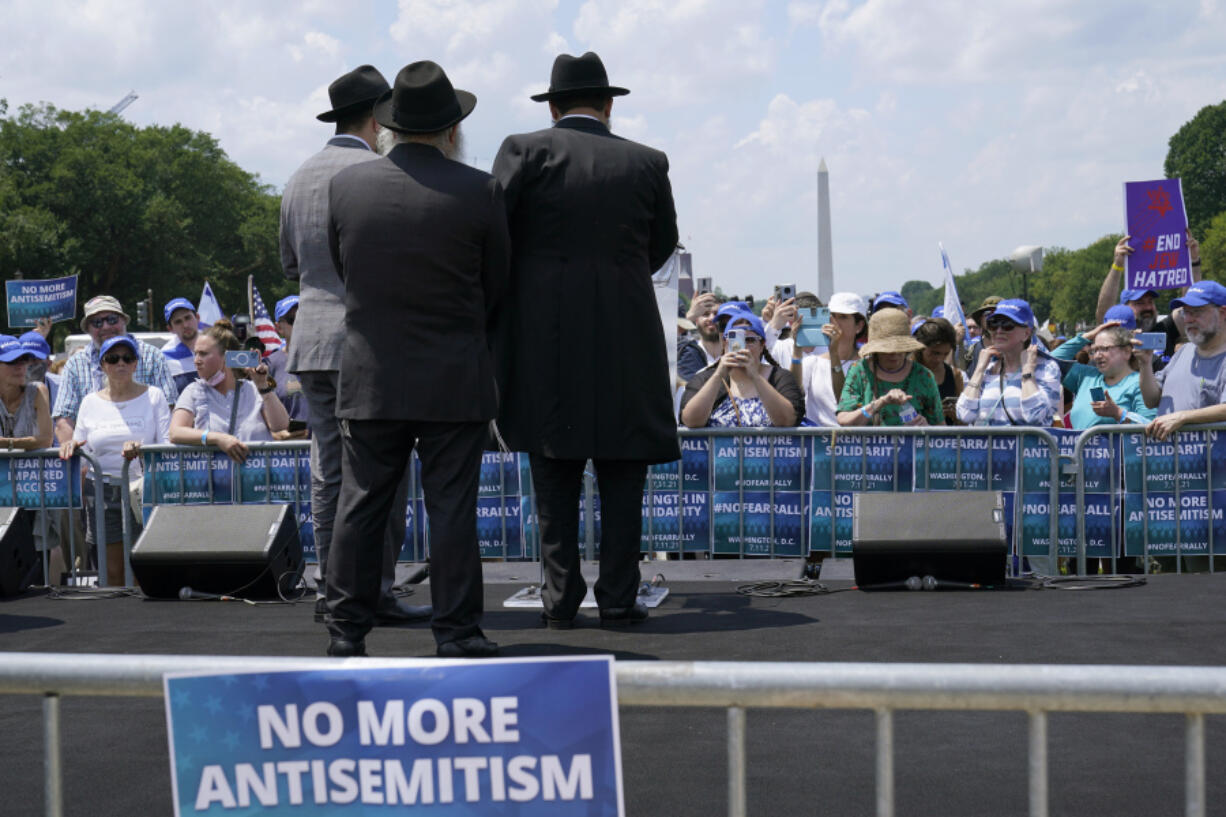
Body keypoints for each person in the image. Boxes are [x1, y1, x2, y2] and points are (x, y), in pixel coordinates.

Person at [326, 60, 508, 658]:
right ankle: (457, 631)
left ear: (389, 126)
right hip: (453, 376)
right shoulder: (479, 189)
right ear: (452, 129)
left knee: (360, 504)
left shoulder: (347, 186)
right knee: (452, 508)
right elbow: (497, 286)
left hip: (372, 376)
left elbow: (343, 269)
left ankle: (346, 629)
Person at [492, 51, 678, 630]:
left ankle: (560, 598)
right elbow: (662, 246)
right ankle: (620, 599)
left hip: (546, 345)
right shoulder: (647, 162)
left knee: (554, 482)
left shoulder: (524, 151)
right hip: (627, 341)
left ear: (551, 106)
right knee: (625, 483)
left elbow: (493, 235)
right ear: (609, 104)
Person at [279, 65, 427, 629]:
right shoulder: (380, 170)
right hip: (369, 343)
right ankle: (375, 590)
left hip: (312, 342)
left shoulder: (297, 177)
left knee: (328, 472)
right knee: (382, 474)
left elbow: (291, 265)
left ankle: (330, 589)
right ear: (377, 118)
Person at [58, 335, 170, 586]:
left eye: (127, 358)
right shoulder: (89, 402)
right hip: (101, 492)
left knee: (143, 565)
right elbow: (80, 443)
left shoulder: (154, 396)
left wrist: (142, 448)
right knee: (113, 570)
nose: (121, 363)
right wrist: (70, 446)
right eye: (113, 358)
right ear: (102, 365)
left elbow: (167, 443)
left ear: (135, 364)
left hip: (142, 489)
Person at [53, 295, 178, 444]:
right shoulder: (75, 365)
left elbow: (170, 412)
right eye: (97, 322)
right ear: (88, 329)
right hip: (95, 462)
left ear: (124, 320)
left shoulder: (152, 356)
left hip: (147, 461)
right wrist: (75, 458)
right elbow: (64, 420)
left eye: (112, 319)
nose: (105, 327)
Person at [166, 321, 290, 460]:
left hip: (256, 476)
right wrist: (217, 439)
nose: (196, 360)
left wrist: (262, 385)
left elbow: (280, 425)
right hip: (214, 479)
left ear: (226, 357)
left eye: (203, 354)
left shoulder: (253, 389)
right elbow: (175, 432)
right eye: (195, 354)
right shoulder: (194, 390)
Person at [1095, 232, 1201, 368]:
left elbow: (1191, 304)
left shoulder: (1164, 329)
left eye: (1150, 302)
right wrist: (1117, 266)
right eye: (1140, 303)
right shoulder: (1116, 336)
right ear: (1124, 307)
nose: (1148, 307)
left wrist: (1193, 261)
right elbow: (1103, 311)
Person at [679, 313, 803, 428]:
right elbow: (690, 420)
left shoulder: (780, 377)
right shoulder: (705, 378)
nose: (743, 346)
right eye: (735, 339)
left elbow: (788, 421)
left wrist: (755, 376)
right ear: (725, 343)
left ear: (762, 345)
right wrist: (718, 375)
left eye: (749, 340)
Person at [1140, 280, 1226, 441]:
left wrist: (1183, 418)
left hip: (1209, 464)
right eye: (1185, 312)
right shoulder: (1184, 351)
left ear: (1222, 313)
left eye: (1197, 312)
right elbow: (1151, 400)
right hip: (1170, 462)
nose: (1188, 319)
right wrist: (1145, 364)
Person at [956, 299, 1062, 426]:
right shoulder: (988, 367)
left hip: (1026, 446)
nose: (998, 330)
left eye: (1007, 325)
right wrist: (979, 370)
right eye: (993, 324)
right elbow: (964, 414)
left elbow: (1035, 416)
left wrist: (1027, 372)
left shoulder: (1047, 368)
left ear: (1026, 333)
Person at [837, 308, 942, 426]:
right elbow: (843, 419)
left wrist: (927, 428)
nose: (894, 354)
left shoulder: (923, 376)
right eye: (887, 350)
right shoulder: (860, 370)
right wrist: (880, 403)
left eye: (899, 349)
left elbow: (940, 427)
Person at [1049, 320, 1156, 429]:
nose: (1097, 356)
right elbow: (1051, 362)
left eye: (1104, 349)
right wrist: (1087, 336)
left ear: (1127, 351)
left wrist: (1118, 414)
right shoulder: (1086, 376)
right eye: (1094, 350)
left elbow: (1150, 427)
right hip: (1080, 446)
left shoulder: (1141, 383)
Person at [789, 291, 867, 425]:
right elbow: (793, 395)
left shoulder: (868, 364)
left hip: (855, 442)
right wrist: (797, 349)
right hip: (819, 443)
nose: (835, 322)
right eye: (831, 316)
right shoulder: (813, 362)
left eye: (843, 317)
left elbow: (847, 403)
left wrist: (834, 354)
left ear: (859, 326)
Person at [263, 294, 310, 429]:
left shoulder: (329, 358)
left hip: (327, 446)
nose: (300, 324)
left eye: (304, 317)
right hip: (289, 447)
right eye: (292, 319)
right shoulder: (269, 365)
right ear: (279, 328)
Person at [914, 318, 964, 425]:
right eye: (935, 353)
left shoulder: (954, 375)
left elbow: (963, 422)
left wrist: (956, 416)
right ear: (921, 346)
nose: (940, 359)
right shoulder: (905, 372)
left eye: (946, 354)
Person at [678, 291, 723, 384]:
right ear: (696, 320)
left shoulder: (734, 353)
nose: (711, 318)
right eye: (706, 314)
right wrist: (690, 316)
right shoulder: (686, 351)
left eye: (716, 314)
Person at [161, 298, 201, 394]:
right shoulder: (163, 358)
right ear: (170, 329)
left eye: (188, 318)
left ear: (197, 318)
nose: (185, 325)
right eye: (178, 322)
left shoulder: (217, 346)